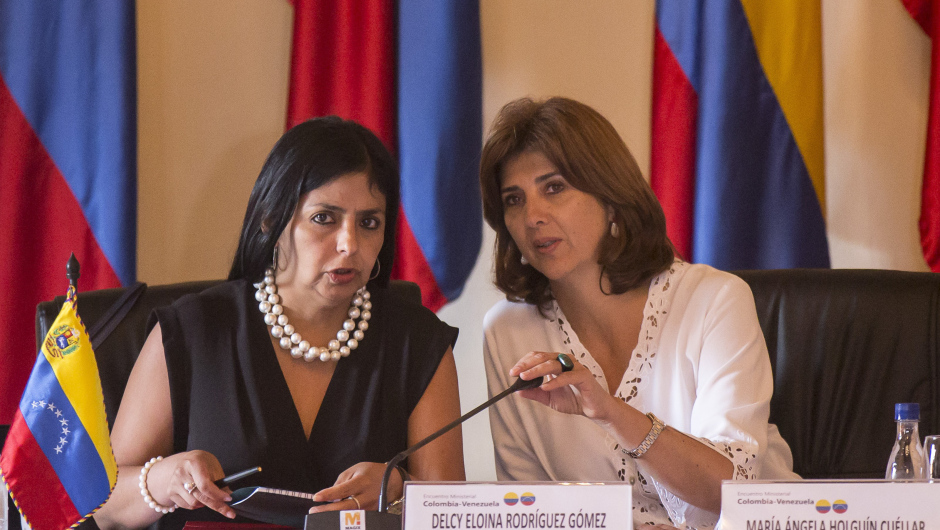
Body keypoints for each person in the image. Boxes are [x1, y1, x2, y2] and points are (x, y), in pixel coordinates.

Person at [95, 117, 465, 529]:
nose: (350, 243)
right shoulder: (194, 329)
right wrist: (163, 480)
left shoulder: (417, 341)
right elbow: (105, 506)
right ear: (270, 219)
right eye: (325, 218)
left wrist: (399, 487)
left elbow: (449, 511)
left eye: (369, 222)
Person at [480, 97, 797, 529]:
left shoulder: (715, 300)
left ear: (611, 197)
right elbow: (526, 511)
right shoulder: (507, 331)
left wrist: (611, 413)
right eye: (513, 199)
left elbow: (732, 489)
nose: (532, 216)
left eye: (554, 187)